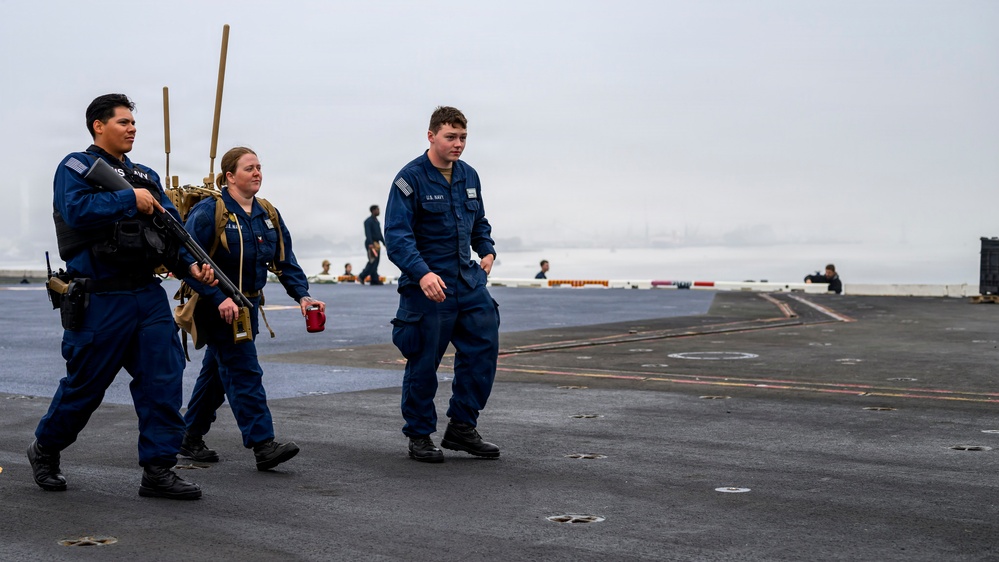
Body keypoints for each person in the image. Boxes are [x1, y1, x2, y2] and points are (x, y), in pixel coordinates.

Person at [30, 93, 216, 500]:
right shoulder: (76, 166)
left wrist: (194, 270)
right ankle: (45, 449)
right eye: (123, 122)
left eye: (134, 122)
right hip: (100, 298)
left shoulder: (146, 175)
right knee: (84, 389)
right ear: (98, 125)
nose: (132, 128)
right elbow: (75, 210)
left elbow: (172, 234)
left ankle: (158, 470)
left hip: (146, 296)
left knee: (162, 383)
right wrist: (128, 198)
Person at [179, 146, 324, 471]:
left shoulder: (267, 214)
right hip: (216, 305)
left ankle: (188, 437)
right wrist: (217, 296)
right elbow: (185, 257)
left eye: (259, 167)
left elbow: (285, 262)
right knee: (244, 371)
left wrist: (303, 296)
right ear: (229, 176)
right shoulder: (209, 212)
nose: (257, 172)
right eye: (249, 168)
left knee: (217, 374)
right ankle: (263, 444)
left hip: (248, 305)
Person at [385, 106, 501, 463]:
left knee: (484, 347)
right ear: (431, 135)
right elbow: (397, 236)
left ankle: (462, 427)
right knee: (423, 362)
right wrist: (422, 273)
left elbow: (479, 220)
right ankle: (419, 435)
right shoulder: (410, 179)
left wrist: (487, 250)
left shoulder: (469, 175)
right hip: (427, 286)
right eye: (451, 137)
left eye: (463, 137)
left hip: (467, 281)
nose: (458, 144)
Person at [359, 205, 386, 285]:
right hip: (371, 243)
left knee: (376, 261)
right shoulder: (368, 221)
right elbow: (368, 233)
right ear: (373, 210)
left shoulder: (377, 222)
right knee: (372, 261)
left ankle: (374, 279)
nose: (379, 211)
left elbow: (379, 234)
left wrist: (384, 243)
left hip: (377, 243)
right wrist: (370, 243)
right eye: (377, 209)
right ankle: (362, 276)